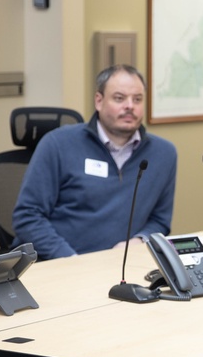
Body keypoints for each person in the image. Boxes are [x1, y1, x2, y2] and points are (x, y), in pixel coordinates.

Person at [11, 64, 178, 259]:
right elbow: (28, 216)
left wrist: (139, 241)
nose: (130, 106)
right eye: (119, 98)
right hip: (59, 264)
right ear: (99, 101)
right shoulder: (57, 144)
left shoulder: (164, 153)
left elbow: (160, 220)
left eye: (137, 99)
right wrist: (71, 260)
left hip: (123, 266)